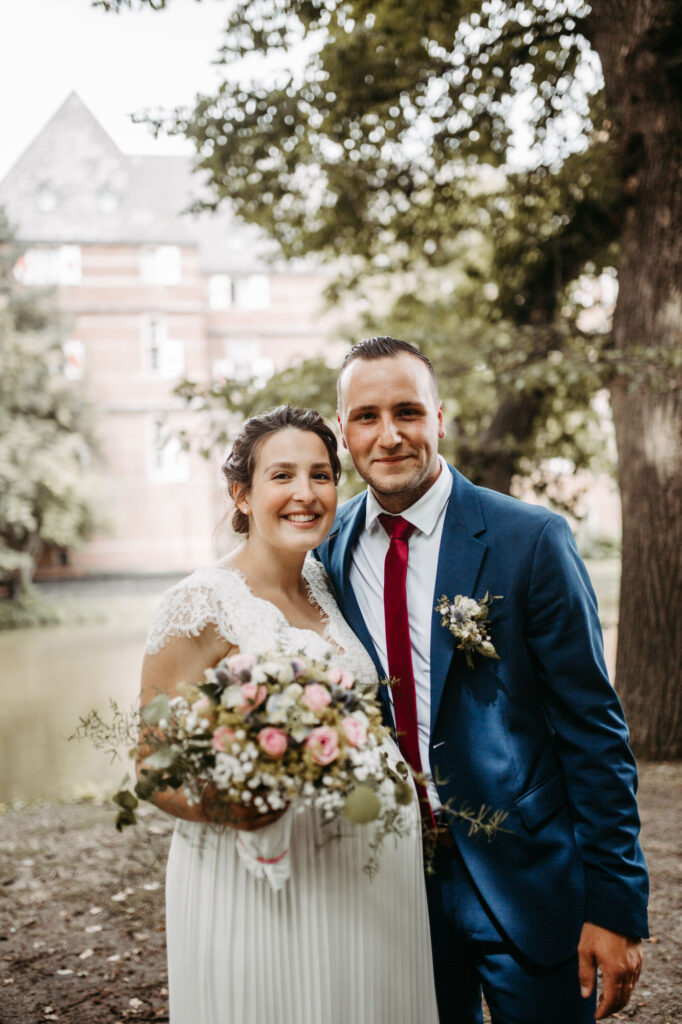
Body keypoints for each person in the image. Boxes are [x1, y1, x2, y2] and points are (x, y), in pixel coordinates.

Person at [315, 337, 649, 1024]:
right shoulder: (328, 548)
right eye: (366, 416)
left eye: (407, 411)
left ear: (440, 418)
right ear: (343, 431)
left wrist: (615, 904)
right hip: (393, 891)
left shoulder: (530, 540)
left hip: (527, 881)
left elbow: (594, 731)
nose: (390, 435)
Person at [140, 404, 439, 1024]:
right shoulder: (199, 602)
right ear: (241, 495)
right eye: (282, 476)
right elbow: (152, 768)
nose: (305, 494)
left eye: (321, 475)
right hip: (261, 879)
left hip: (367, 877)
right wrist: (241, 805)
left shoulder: (326, 584)